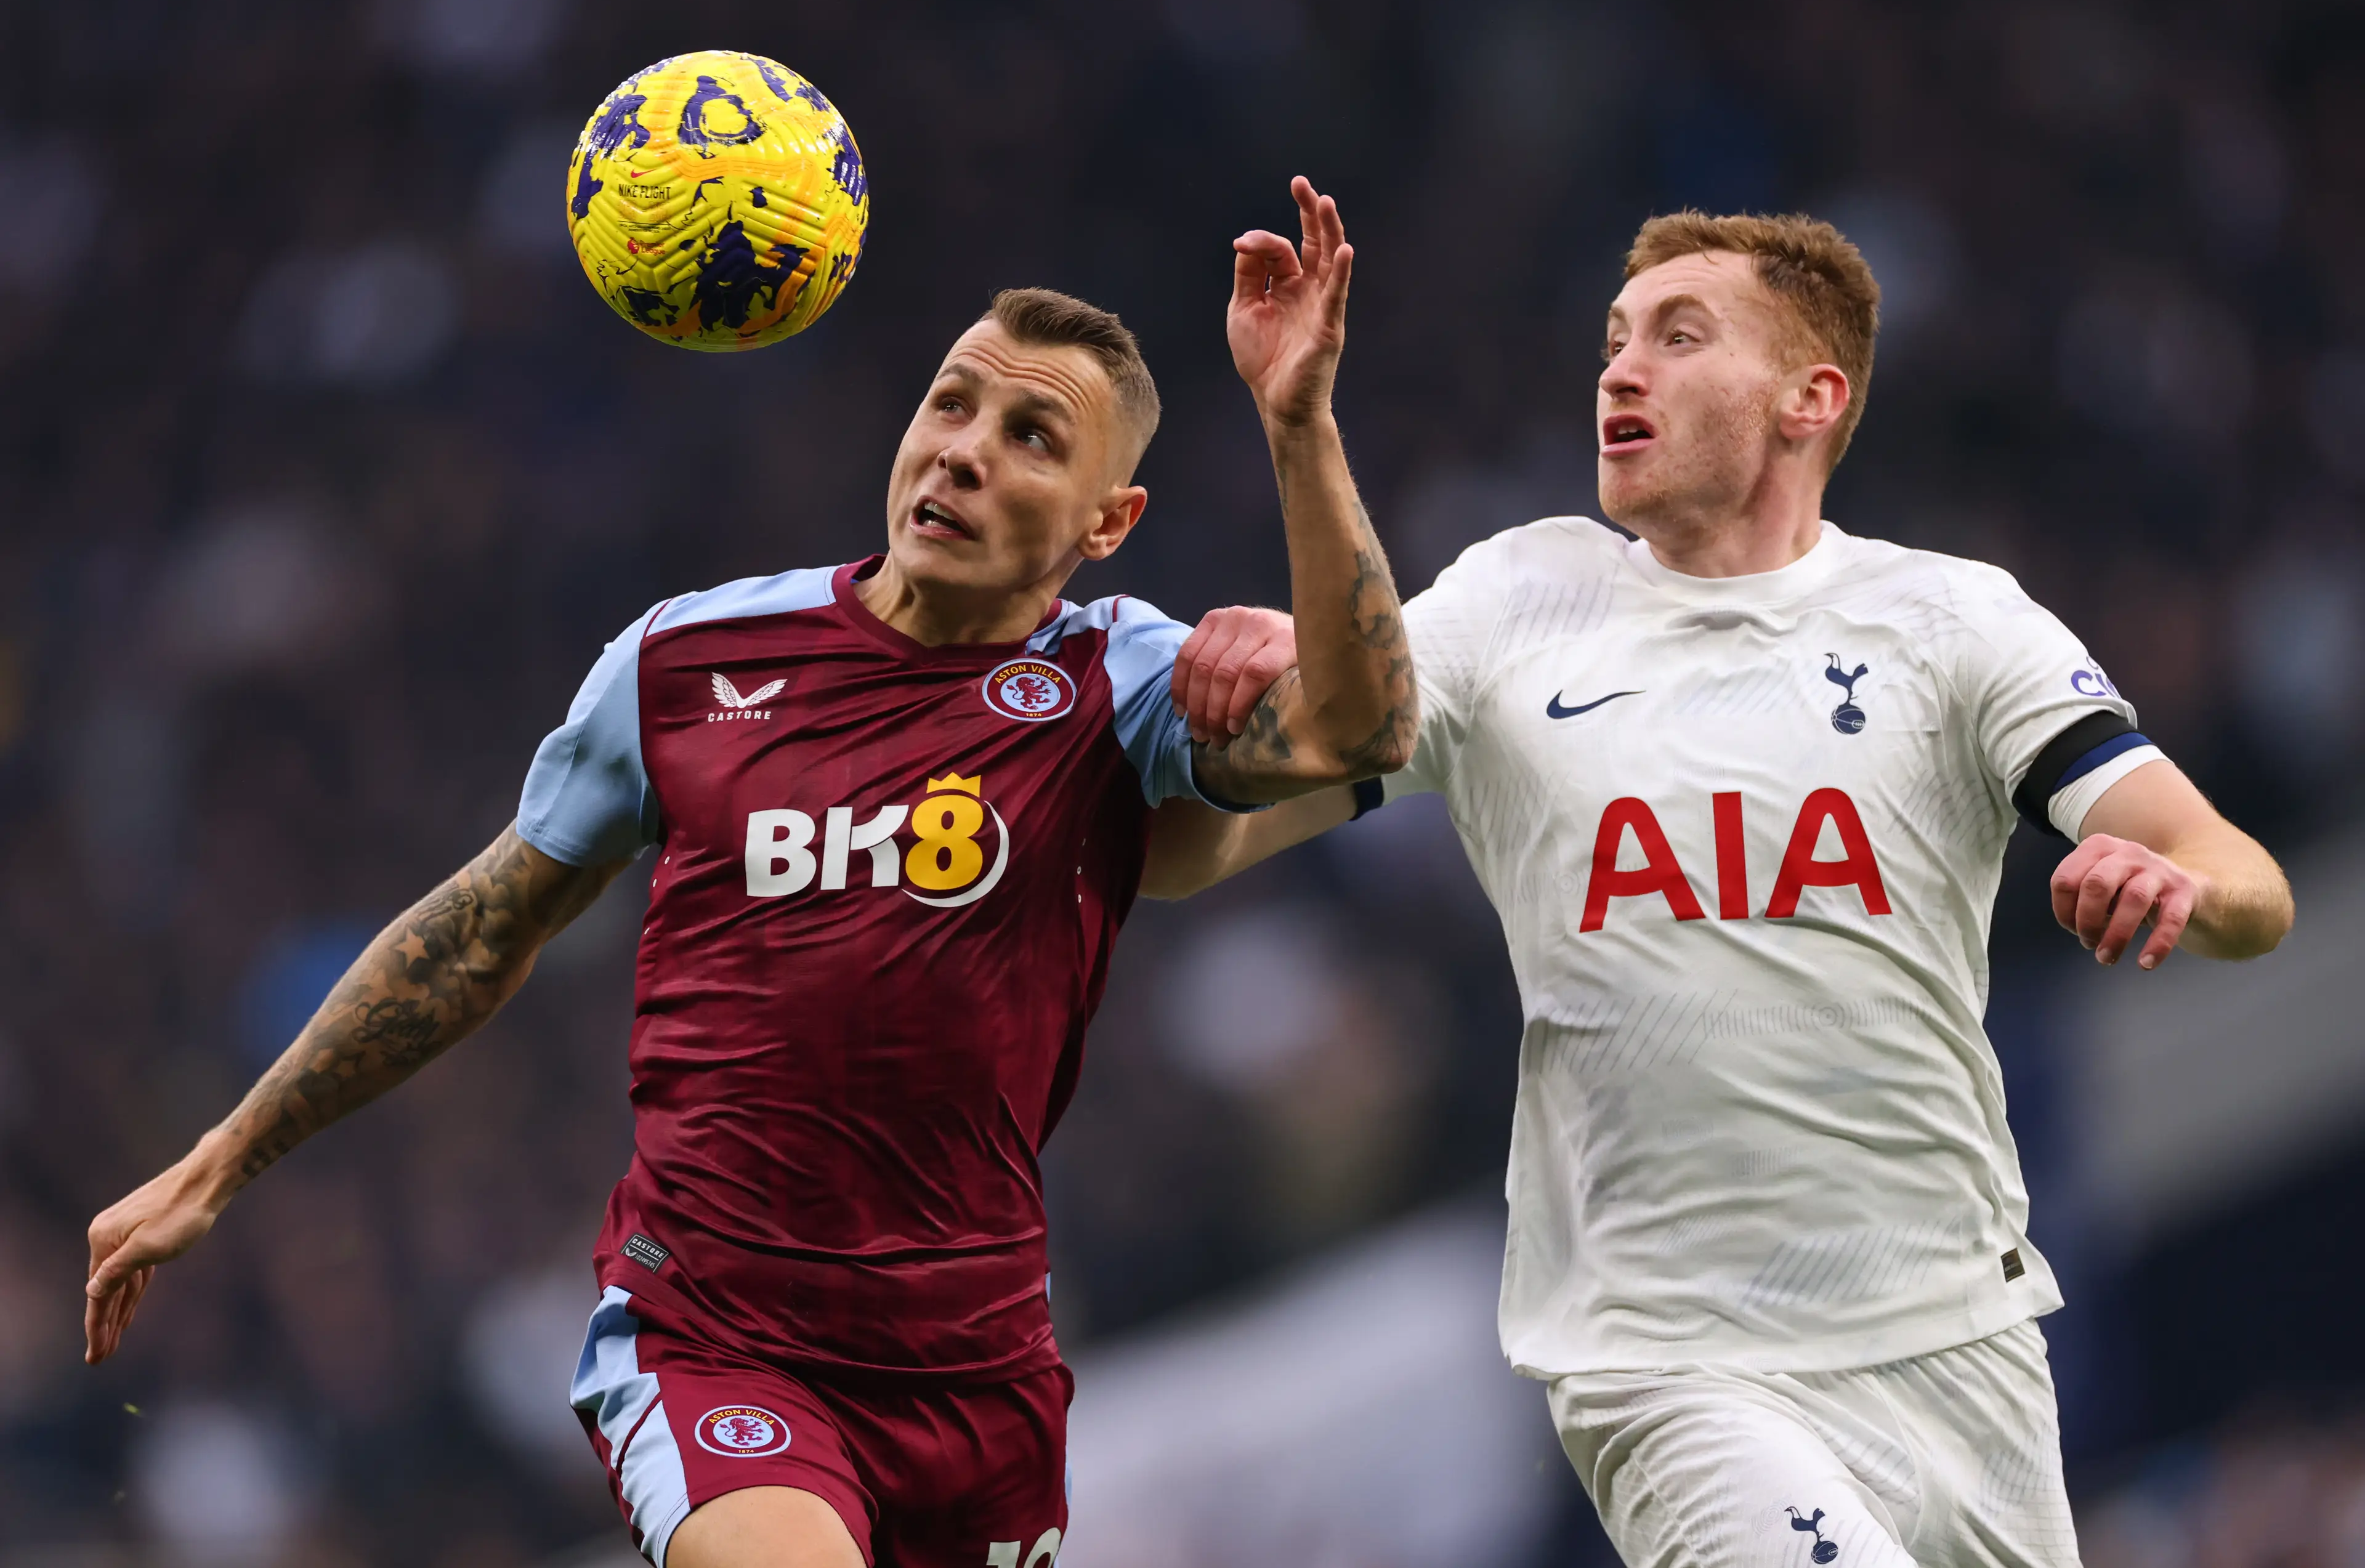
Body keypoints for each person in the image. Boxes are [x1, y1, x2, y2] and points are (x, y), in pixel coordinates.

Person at [82, 178, 1414, 1568]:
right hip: (717, 1338)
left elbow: (1361, 727)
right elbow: (478, 928)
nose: (962, 451)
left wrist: (1296, 421)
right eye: (951, 404)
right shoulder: (683, 664)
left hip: (978, 1366)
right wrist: (228, 1153)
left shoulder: (1116, 679)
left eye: (1031, 436)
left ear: (1107, 521)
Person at [1155, 211, 2294, 1566]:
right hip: (1674, 1360)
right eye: (1614, 341)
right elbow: (1201, 847)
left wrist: (2170, 887)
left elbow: (2246, 878)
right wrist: (1226, 679)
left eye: (1678, 338)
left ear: (1810, 399)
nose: (1620, 371)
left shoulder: (1953, 623)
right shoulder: (1516, 604)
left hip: (1959, 1338)